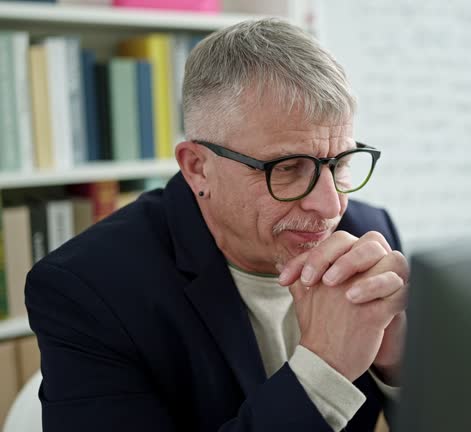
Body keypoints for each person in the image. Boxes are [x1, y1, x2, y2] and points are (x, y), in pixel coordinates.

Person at [25, 19, 409, 432]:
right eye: (289, 168)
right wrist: (323, 371)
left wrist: (402, 369)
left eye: (342, 163)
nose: (330, 204)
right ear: (198, 168)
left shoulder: (369, 232)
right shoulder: (87, 291)